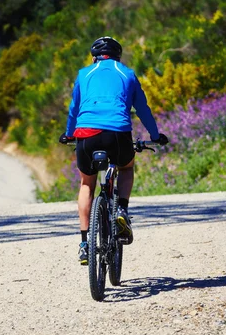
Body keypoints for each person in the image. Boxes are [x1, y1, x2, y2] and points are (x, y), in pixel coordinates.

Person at [59, 36, 168, 265]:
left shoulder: (83, 74)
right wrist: (155, 136)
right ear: (118, 55)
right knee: (126, 167)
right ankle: (122, 211)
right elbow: (143, 109)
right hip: (118, 133)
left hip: (86, 134)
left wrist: (69, 134)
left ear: (94, 56)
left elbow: (74, 109)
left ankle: (84, 243)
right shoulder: (127, 73)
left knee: (87, 184)